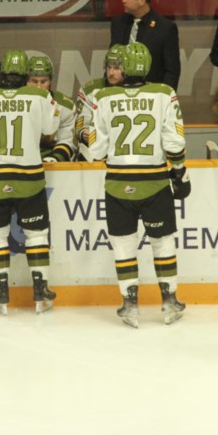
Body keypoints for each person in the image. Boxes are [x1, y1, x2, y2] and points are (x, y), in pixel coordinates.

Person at [87, 43, 189, 328]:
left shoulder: (103, 96)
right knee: (163, 242)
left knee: (123, 244)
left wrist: (86, 138)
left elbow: (97, 151)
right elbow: (174, 142)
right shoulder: (163, 93)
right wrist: (180, 171)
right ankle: (169, 302)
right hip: (154, 182)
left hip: (118, 184)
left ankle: (129, 304)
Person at [0, 50, 61, 315]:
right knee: (36, 234)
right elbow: (50, 128)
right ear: (25, 74)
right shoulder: (40, 95)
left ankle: (1, 292)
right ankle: (40, 291)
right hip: (28, 177)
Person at [109, 0, 180, 90]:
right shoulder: (118, 23)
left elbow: (172, 70)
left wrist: (166, 97)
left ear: (141, 0)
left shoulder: (165, 27)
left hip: (151, 95)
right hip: (120, 92)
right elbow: (112, 58)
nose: (123, 0)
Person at [74, 43, 124, 161]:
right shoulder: (90, 89)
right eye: (109, 67)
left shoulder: (137, 92)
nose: (111, 73)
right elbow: (82, 123)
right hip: (94, 148)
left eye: (116, 68)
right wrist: (84, 131)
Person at [26, 54, 75, 162]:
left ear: (50, 82)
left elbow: (66, 141)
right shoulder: (15, 103)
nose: (39, 87)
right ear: (27, 82)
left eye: (43, 82)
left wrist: (52, 160)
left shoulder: (65, 107)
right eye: (34, 81)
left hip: (52, 160)